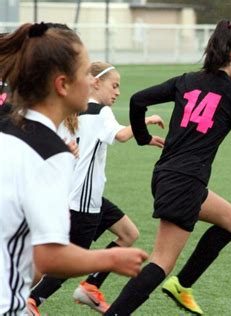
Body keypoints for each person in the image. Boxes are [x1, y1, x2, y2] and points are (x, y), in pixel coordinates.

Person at [104, 20, 231, 316]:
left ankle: (183, 285)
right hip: (185, 182)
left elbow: (138, 100)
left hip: (167, 175)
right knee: (160, 262)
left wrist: (142, 138)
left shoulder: (186, 81)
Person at [0, 22, 148, 316]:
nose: (91, 81)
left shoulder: (11, 128)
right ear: (62, 84)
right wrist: (110, 260)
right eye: (85, 73)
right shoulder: (50, 153)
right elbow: (49, 257)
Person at [27, 62, 165, 315]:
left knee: (128, 233)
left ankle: (90, 286)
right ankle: (32, 299)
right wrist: (146, 121)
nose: (118, 92)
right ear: (95, 83)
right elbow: (121, 135)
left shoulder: (74, 111)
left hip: (84, 196)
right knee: (70, 262)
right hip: (82, 201)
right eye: (114, 85)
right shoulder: (100, 112)